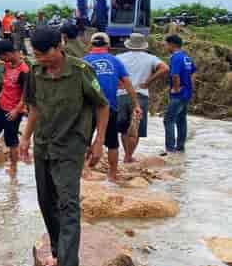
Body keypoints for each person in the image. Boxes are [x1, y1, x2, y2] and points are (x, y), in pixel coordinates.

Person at [20, 27, 109, 266]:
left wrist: (99, 141)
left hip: (71, 146)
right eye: (36, 55)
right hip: (44, 144)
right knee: (46, 200)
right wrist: (25, 138)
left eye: (44, 54)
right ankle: (59, 253)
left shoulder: (81, 71)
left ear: (59, 46)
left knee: (68, 203)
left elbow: (102, 105)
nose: (42, 60)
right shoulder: (35, 73)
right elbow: (34, 107)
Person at [84, 32, 140, 182]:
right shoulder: (115, 61)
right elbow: (128, 84)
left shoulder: (83, 61)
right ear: (108, 46)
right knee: (112, 143)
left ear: (91, 45)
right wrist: (136, 104)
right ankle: (112, 174)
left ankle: (85, 171)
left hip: (88, 109)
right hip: (110, 108)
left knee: (84, 140)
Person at [117, 33, 169, 163]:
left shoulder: (119, 57)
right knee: (136, 127)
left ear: (129, 45)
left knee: (124, 128)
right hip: (141, 95)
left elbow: (113, 72)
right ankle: (128, 156)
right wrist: (148, 81)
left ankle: (126, 154)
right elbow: (165, 68)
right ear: (143, 45)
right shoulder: (151, 58)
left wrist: (119, 83)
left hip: (122, 94)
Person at [0, 40, 29, 172]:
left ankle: (13, 167)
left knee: (11, 140)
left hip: (13, 110)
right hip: (2, 105)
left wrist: (17, 110)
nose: (1, 60)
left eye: (2, 56)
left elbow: (26, 95)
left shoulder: (24, 71)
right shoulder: (8, 64)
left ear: (8, 53)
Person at [164, 34, 197, 154]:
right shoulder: (186, 57)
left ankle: (170, 149)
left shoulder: (175, 58)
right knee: (181, 119)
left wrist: (177, 88)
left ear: (172, 45)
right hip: (187, 93)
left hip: (178, 95)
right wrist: (190, 87)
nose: (165, 47)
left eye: (166, 44)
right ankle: (180, 147)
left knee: (168, 120)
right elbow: (193, 72)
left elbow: (175, 75)